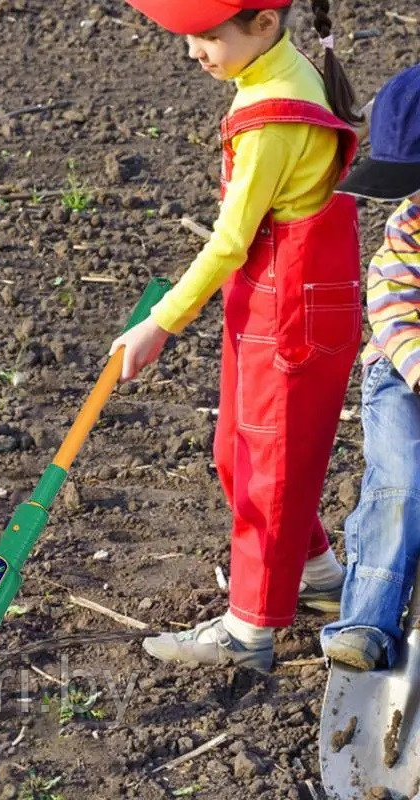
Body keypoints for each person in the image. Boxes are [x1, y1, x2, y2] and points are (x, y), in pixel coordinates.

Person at [110, 0, 363, 672]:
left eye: (207, 36)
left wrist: (157, 325)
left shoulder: (272, 118)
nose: (195, 51)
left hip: (287, 320)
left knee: (266, 472)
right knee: (238, 453)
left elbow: (228, 243)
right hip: (285, 309)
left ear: (263, 24)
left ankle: (248, 633)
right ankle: (317, 576)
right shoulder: (278, 76)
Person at [321, 64, 420, 671]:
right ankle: (368, 622)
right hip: (400, 369)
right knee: (402, 483)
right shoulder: (411, 225)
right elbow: (390, 303)